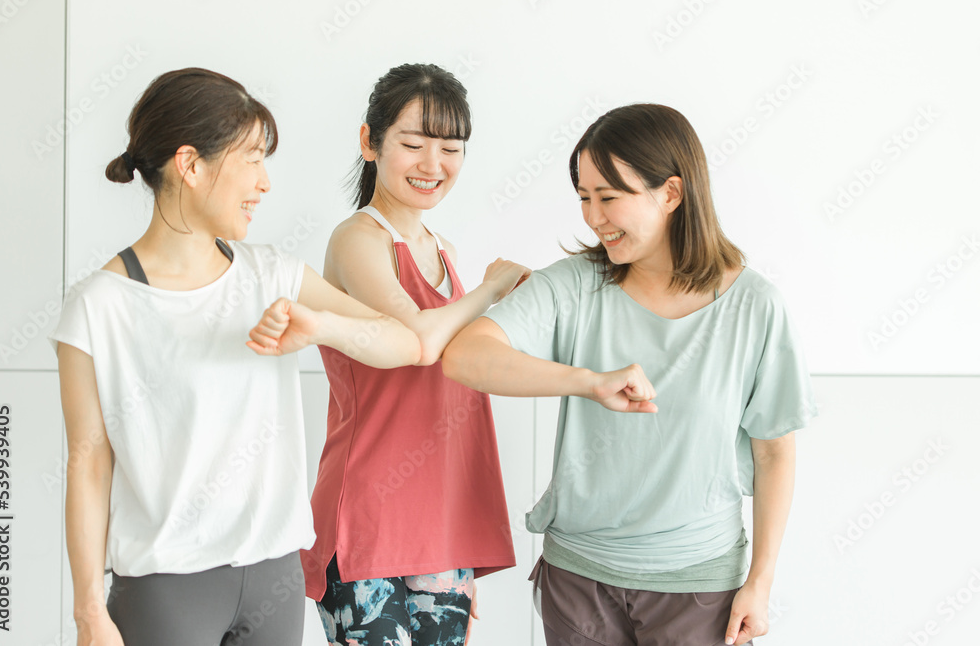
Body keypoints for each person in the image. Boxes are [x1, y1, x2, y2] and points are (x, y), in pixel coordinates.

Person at [48, 67, 421, 646]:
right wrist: (89, 613)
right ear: (190, 165)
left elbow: (404, 343)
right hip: (166, 588)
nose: (265, 183)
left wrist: (319, 326)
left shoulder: (274, 274)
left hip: (276, 575)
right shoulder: (99, 306)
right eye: (252, 159)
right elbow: (88, 465)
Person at [443, 103, 817, 646]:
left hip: (699, 584)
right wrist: (588, 382)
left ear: (671, 193)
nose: (593, 217)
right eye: (584, 198)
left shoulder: (754, 306)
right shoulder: (575, 285)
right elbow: (465, 356)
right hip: (578, 579)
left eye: (609, 197)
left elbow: (774, 453)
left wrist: (760, 584)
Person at [299, 63, 528, 646]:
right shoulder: (358, 239)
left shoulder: (444, 250)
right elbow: (419, 342)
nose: (433, 164)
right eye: (413, 144)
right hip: (367, 518)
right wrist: (490, 289)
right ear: (369, 142)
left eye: (450, 148)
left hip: (440, 522)